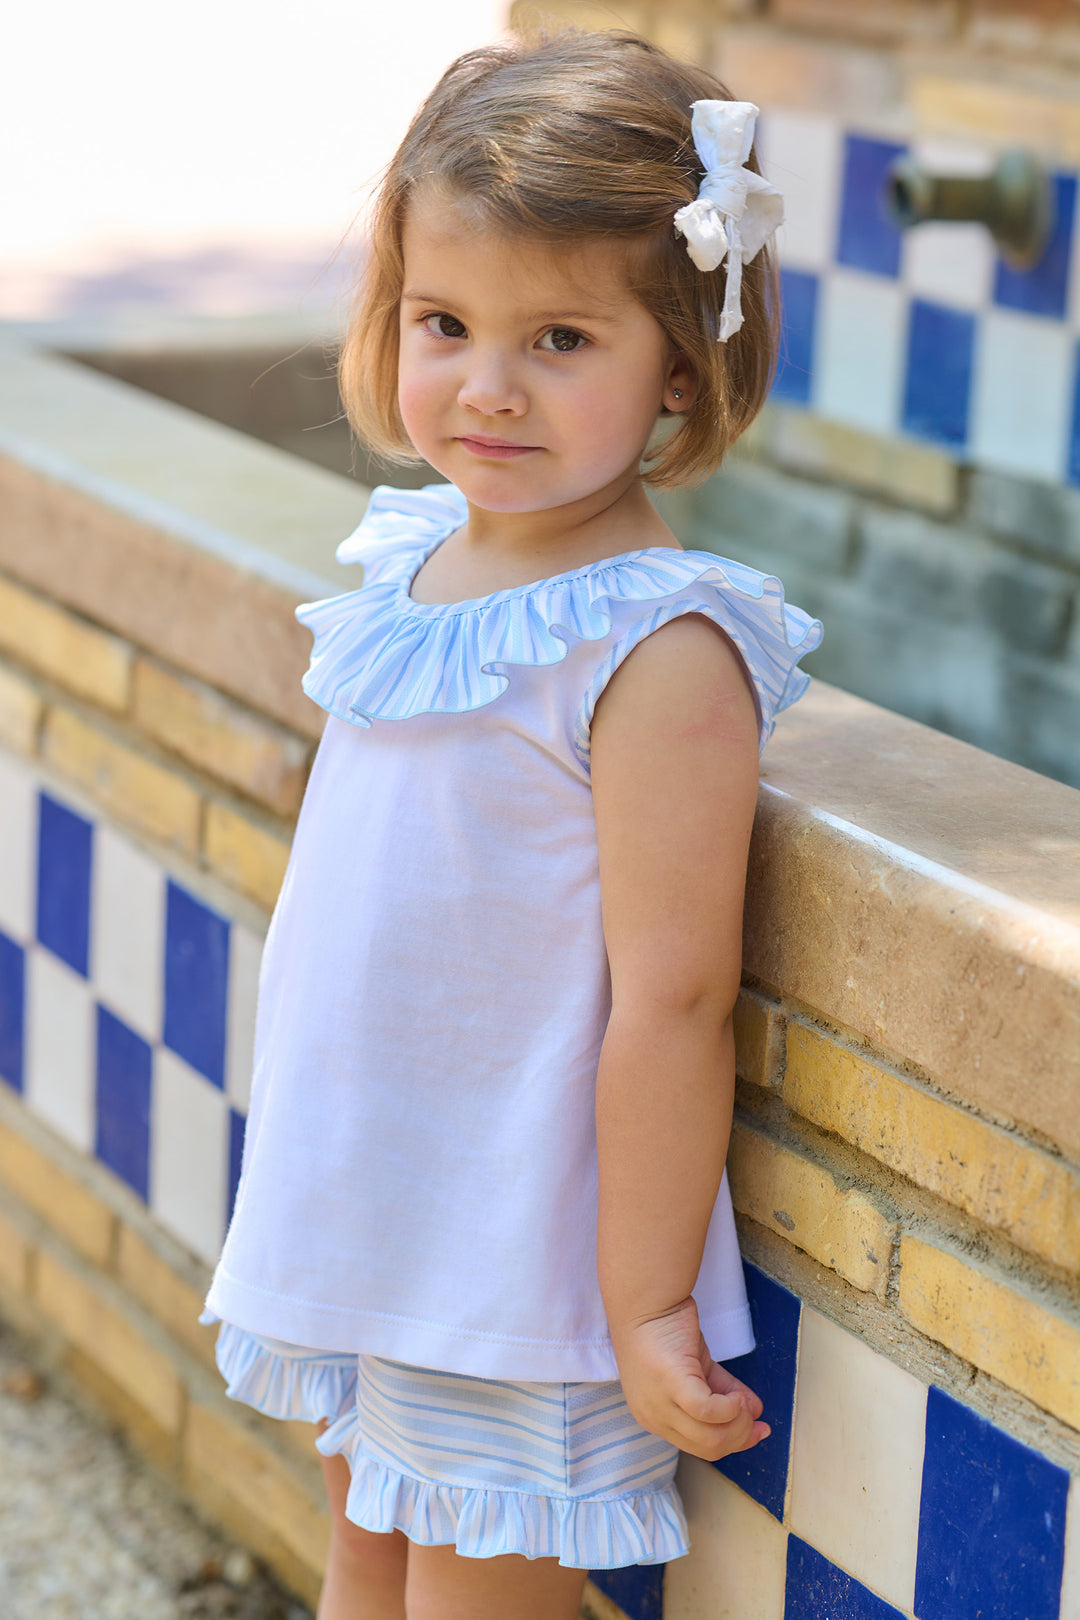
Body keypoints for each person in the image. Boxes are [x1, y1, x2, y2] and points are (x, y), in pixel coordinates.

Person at [201, 26, 821, 1620]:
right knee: (363, 1565)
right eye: (444, 324)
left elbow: (672, 995)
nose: (485, 385)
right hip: (375, 1208)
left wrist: (640, 1305)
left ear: (680, 363)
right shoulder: (409, 569)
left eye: (559, 339)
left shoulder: (658, 647)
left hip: (511, 1260)